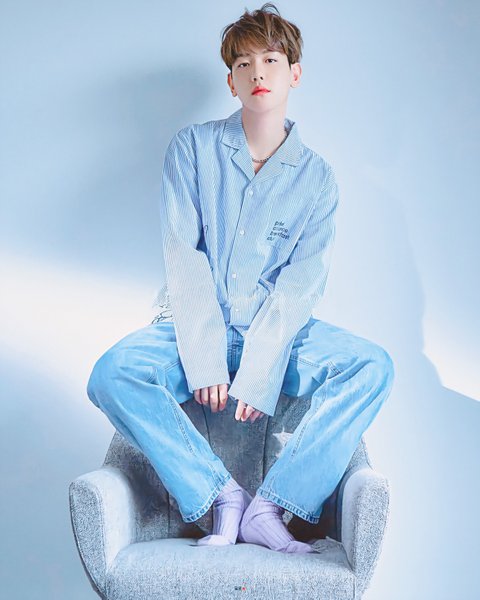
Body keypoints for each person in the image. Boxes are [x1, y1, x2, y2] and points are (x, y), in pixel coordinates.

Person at [86, 3, 395, 555]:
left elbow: (301, 283)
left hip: (278, 330)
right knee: (112, 373)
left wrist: (260, 369)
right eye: (244, 64)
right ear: (230, 80)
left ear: (294, 73)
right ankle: (220, 495)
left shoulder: (317, 178)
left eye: (271, 60)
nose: (258, 73)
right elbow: (184, 256)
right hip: (191, 324)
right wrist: (205, 357)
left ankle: (270, 507)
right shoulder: (192, 148)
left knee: (372, 366)